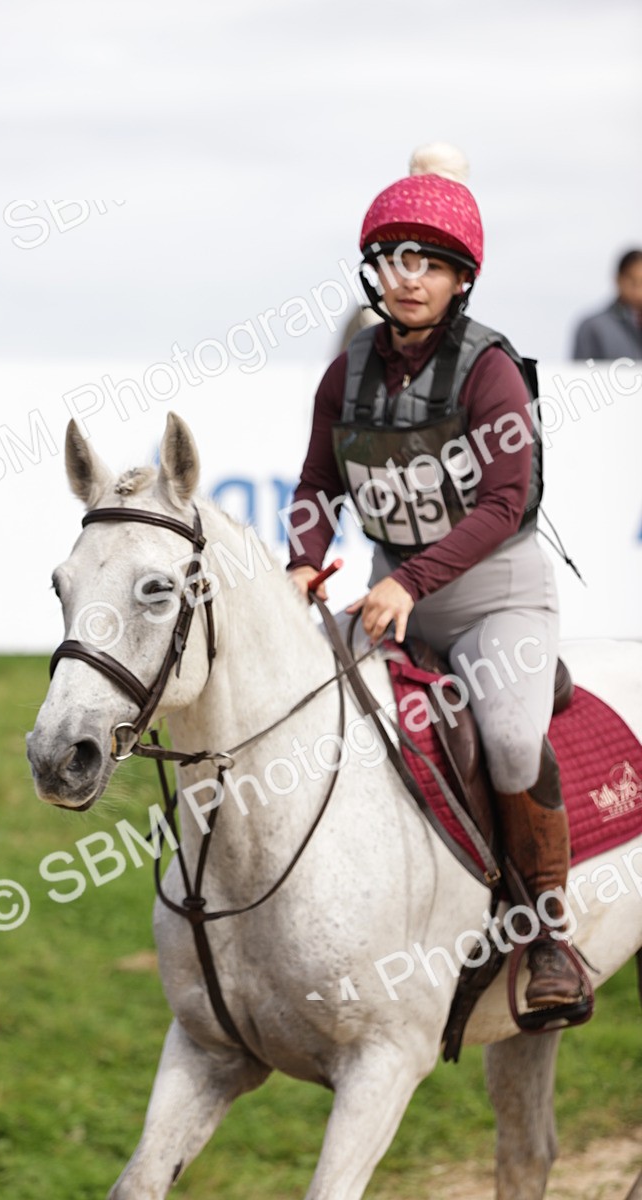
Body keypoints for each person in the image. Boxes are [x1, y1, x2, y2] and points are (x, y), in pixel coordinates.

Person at [286, 143, 583, 1010]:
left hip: (497, 605)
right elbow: (315, 485)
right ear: (375, 269)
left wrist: (409, 583)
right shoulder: (346, 373)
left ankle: (549, 937)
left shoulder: (490, 370)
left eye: (432, 264)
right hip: (394, 602)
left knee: (509, 741)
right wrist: (306, 559)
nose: (410, 276)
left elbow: (505, 500)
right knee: (307, 715)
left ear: (461, 281)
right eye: (395, 259)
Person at [572, 249, 642, 360]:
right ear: (619, 280)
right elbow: (580, 374)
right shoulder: (593, 328)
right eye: (634, 283)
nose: (639, 292)